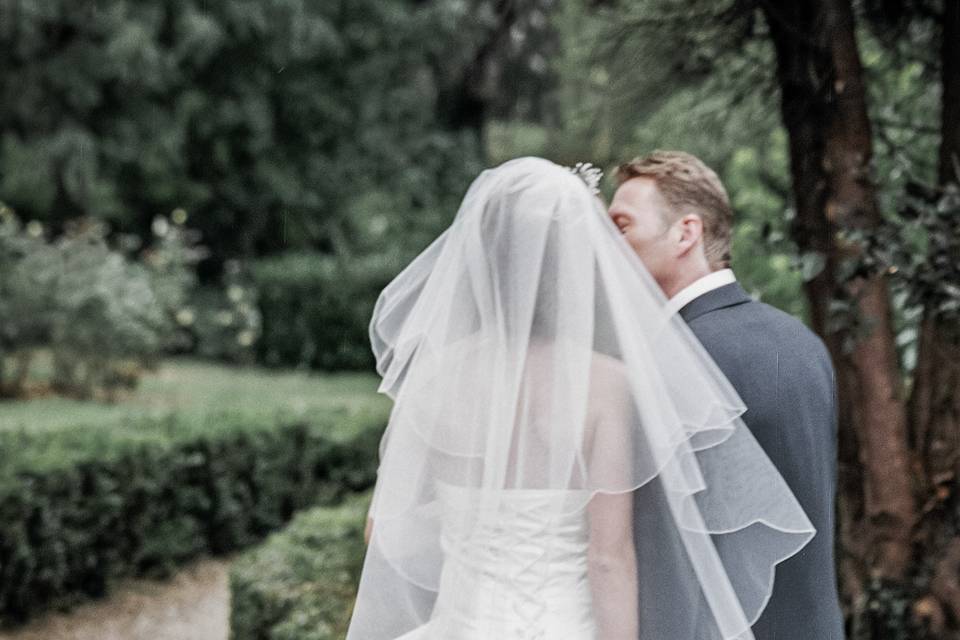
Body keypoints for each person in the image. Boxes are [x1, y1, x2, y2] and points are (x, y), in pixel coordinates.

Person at [348, 157, 815, 640]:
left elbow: (382, 533)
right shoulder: (606, 386)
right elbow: (609, 559)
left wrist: (471, 531)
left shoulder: (435, 378)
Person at [608, 150, 845, 640]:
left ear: (686, 233)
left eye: (622, 226)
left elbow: (660, 552)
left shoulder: (669, 362)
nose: (608, 246)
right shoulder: (801, 342)